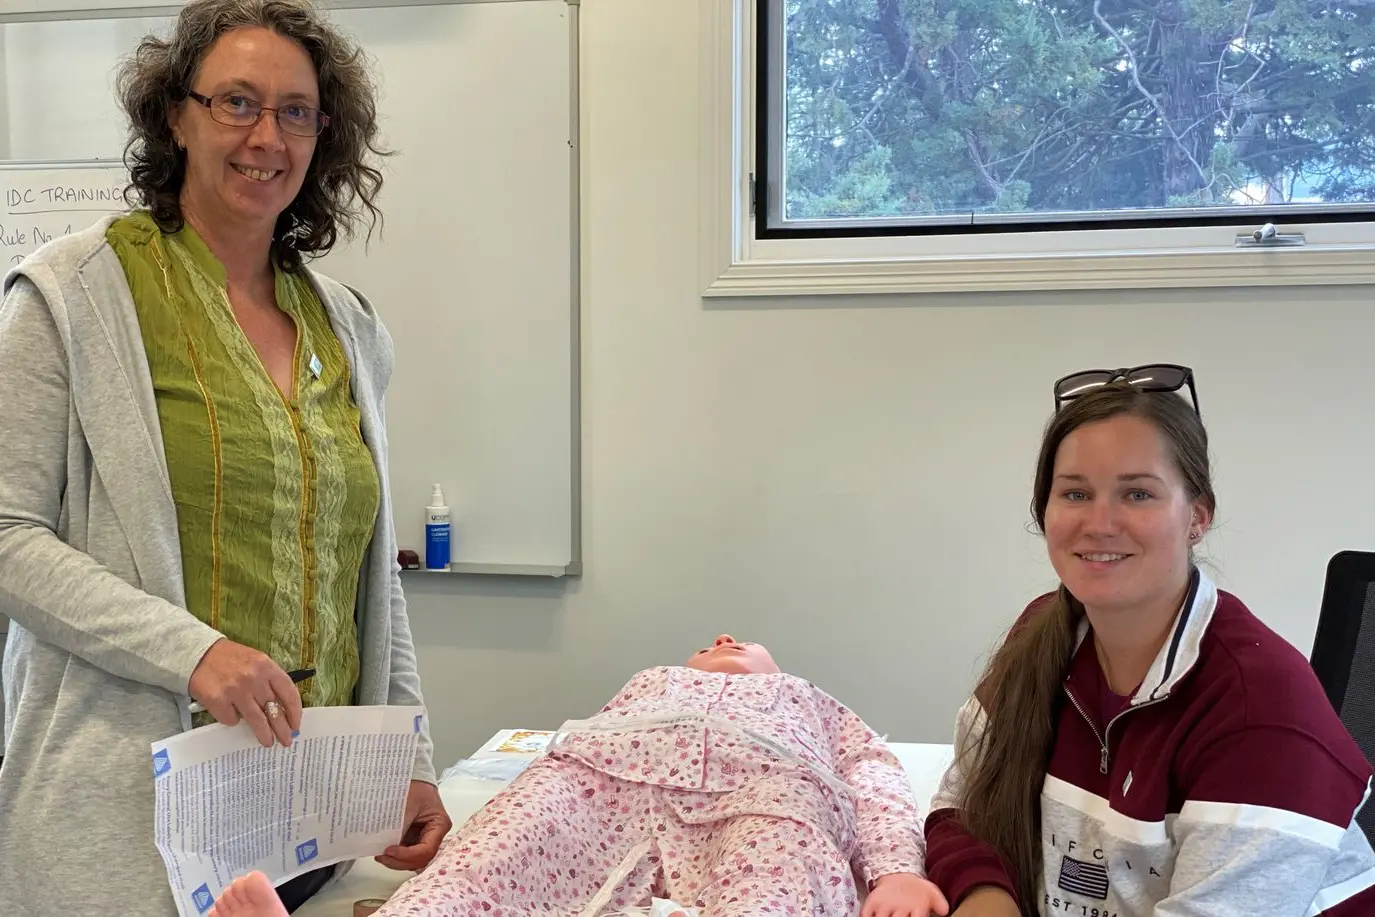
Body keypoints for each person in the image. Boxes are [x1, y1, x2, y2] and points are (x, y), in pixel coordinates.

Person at [0, 1, 450, 914]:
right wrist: (195, 652)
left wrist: (408, 759)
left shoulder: (349, 326)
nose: (265, 136)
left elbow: (369, 576)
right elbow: (7, 534)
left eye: (295, 112)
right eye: (235, 102)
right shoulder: (69, 297)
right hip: (130, 830)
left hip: (309, 817)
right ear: (176, 115)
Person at [923, 364, 1375, 917]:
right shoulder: (1043, 633)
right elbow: (962, 807)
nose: (1100, 522)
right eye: (1075, 493)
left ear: (1197, 517)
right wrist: (984, 896)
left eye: (1138, 494)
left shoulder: (1261, 706)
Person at [210, 634, 951, 917]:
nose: (721, 640)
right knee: (493, 854)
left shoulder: (805, 701)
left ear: (778, 667)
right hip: (604, 772)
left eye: (740, 639)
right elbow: (565, 755)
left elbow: (875, 775)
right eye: (706, 642)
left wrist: (893, 870)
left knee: (780, 875)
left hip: (762, 785)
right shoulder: (649, 681)